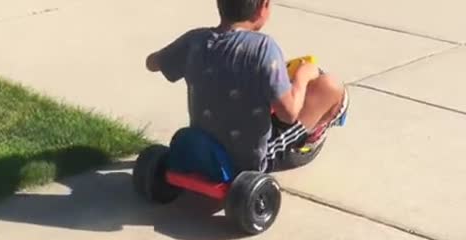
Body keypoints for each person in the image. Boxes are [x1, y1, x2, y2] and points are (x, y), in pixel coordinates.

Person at [145, 0, 346, 175]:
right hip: (251, 157)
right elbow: (290, 114)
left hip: (202, 145)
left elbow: (152, 63)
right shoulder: (264, 48)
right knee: (332, 88)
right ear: (264, 6)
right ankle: (310, 136)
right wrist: (302, 77)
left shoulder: (195, 40)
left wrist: (170, 56)